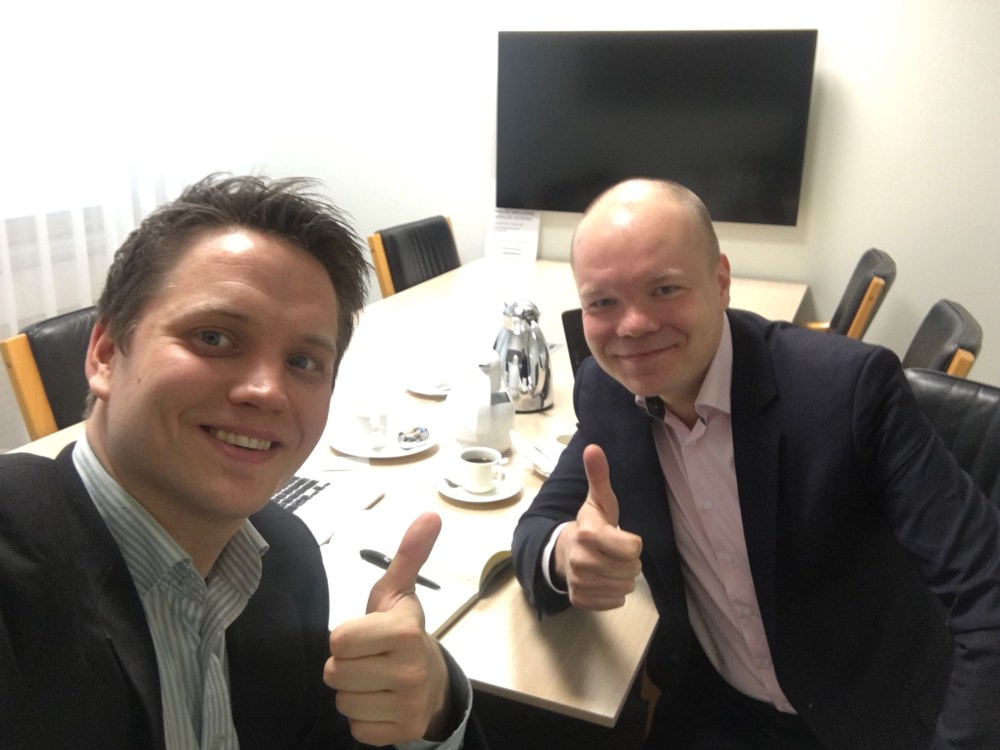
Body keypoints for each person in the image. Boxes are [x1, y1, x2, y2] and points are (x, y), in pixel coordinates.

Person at [0, 174, 487, 750]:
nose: (267, 391)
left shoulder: (284, 559)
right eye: (214, 337)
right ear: (105, 354)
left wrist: (432, 703)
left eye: (303, 361)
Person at [512, 178, 1000, 749]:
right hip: (720, 709)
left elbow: (987, 589)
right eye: (602, 302)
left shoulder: (848, 390)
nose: (633, 325)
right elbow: (536, 530)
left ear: (721, 281)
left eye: (665, 288)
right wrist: (565, 555)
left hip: (875, 713)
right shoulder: (609, 392)